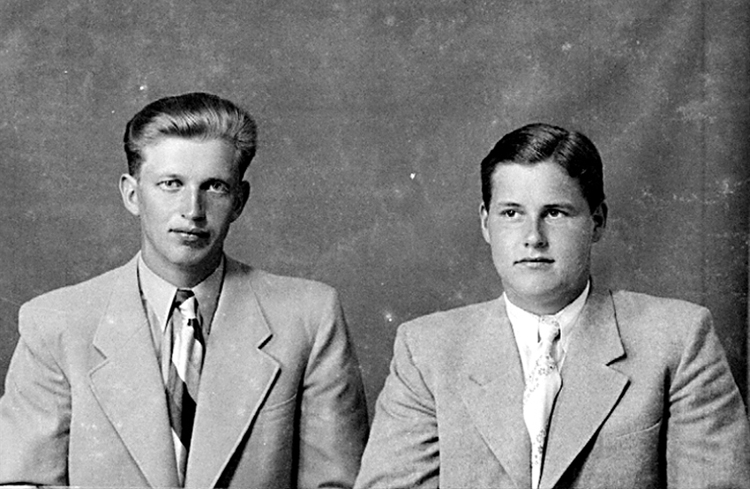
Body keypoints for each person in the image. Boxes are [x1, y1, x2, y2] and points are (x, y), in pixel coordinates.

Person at [0, 92, 368, 488]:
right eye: (171, 184)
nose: (192, 210)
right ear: (131, 194)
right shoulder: (56, 323)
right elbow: (23, 482)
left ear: (239, 200)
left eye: (215, 187)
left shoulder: (308, 317)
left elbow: (337, 483)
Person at [355, 123, 750, 488]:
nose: (533, 237)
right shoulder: (427, 350)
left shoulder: (677, 340)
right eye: (512, 213)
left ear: (597, 221)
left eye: (555, 213)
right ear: (485, 222)